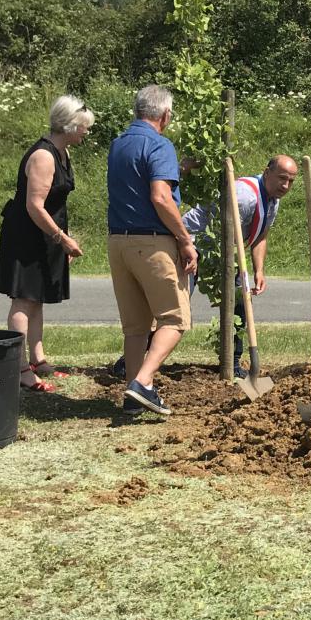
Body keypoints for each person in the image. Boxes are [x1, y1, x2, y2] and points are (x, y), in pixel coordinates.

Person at [106, 85, 197, 417]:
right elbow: (160, 197)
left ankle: (131, 398)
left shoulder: (119, 143)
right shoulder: (160, 144)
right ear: (166, 115)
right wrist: (185, 240)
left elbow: (138, 181)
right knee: (175, 318)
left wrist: (179, 170)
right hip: (152, 243)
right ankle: (143, 382)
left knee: (135, 327)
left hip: (119, 242)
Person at [0, 95, 94, 391]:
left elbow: (56, 204)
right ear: (68, 125)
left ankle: (38, 360)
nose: (86, 133)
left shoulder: (63, 153)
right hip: (27, 235)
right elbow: (34, 206)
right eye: (83, 127)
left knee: (38, 297)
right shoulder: (43, 156)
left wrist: (59, 242)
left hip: (46, 234)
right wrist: (63, 240)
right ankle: (21, 369)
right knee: (23, 298)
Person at [181, 155, 299, 376]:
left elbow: (261, 235)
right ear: (267, 172)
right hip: (194, 243)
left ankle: (232, 364)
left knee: (240, 305)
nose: (286, 185)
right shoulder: (244, 196)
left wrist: (259, 271)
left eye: (291, 181)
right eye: (282, 178)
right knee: (175, 306)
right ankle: (133, 361)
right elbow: (218, 232)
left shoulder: (273, 199)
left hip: (227, 250)